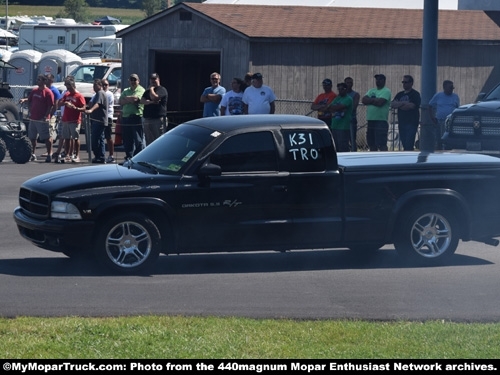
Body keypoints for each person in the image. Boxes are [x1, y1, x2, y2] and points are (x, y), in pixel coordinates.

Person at [20, 74, 54, 163]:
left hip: (42, 119)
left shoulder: (48, 92)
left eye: (39, 80)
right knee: (32, 137)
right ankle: (33, 154)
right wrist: (24, 100)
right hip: (33, 118)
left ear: (44, 81)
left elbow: (50, 106)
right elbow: (30, 99)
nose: (37, 81)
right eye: (37, 79)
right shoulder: (34, 91)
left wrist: (46, 116)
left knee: (47, 137)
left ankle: (49, 153)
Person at [57, 78, 86, 163]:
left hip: (75, 120)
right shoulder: (67, 94)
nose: (68, 89)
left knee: (75, 138)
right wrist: (65, 103)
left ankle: (77, 155)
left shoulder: (79, 96)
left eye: (69, 87)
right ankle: (67, 155)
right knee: (66, 138)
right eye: (67, 87)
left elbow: (84, 108)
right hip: (66, 119)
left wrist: (75, 107)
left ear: (73, 86)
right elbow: (60, 103)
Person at [362, 74, 392, 151]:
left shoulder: (386, 91)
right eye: (377, 79)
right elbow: (364, 100)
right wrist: (375, 100)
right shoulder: (371, 90)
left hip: (381, 121)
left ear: (384, 81)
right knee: (371, 143)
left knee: (381, 143)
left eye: (380, 79)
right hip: (371, 120)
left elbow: (380, 103)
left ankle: (384, 159)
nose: (378, 81)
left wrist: (370, 100)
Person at [391, 75, 421, 151]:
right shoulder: (399, 94)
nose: (404, 84)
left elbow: (412, 106)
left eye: (406, 82)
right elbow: (393, 104)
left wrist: (400, 104)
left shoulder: (415, 94)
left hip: (412, 123)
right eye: (403, 82)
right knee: (404, 143)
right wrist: (404, 103)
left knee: (409, 144)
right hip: (402, 122)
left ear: (411, 83)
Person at [119, 73, 146, 160]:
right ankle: (129, 156)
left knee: (138, 139)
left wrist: (126, 98)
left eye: (135, 80)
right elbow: (120, 101)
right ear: (129, 81)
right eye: (131, 80)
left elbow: (135, 99)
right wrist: (129, 98)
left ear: (138, 81)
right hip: (126, 117)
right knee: (127, 139)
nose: (133, 81)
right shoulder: (126, 90)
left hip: (136, 117)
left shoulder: (141, 89)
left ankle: (137, 157)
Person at [429, 80, 460, 149]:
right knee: (439, 140)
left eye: (452, 88)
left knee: (449, 141)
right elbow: (430, 105)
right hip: (440, 121)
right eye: (450, 88)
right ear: (444, 87)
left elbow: (458, 108)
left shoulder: (455, 96)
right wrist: (432, 117)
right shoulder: (438, 95)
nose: (451, 90)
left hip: (451, 122)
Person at [140, 72, 168, 146]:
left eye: (154, 79)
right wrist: (151, 102)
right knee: (148, 142)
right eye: (151, 79)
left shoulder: (162, 89)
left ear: (158, 79)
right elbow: (142, 100)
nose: (153, 81)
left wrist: (152, 89)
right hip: (148, 119)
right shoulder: (147, 91)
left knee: (159, 141)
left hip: (157, 120)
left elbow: (155, 97)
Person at [85, 79, 108, 163]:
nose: (94, 87)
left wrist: (91, 110)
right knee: (100, 138)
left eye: (95, 85)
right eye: (93, 85)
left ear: (100, 85)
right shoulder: (96, 94)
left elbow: (97, 104)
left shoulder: (100, 93)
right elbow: (92, 103)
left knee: (95, 139)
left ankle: (100, 156)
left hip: (99, 120)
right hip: (97, 120)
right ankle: (100, 156)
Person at [328, 82, 353, 152]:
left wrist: (336, 108)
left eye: (342, 89)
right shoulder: (337, 98)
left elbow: (339, 107)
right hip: (334, 125)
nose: (340, 90)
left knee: (343, 146)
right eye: (339, 89)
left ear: (346, 89)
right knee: (335, 146)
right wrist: (335, 108)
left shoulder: (348, 99)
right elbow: (329, 107)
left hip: (343, 126)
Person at [344, 77, 360, 151]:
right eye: (347, 83)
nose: (349, 84)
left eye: (350, 82)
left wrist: (341, 107)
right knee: (344, 140)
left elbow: (353, 107)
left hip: (351, 119)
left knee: (352, 139)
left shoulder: (355, 94)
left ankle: (354, 153)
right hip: (342, 120)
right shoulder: (341, 95)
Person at [102, 79, 116, 163]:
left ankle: (111, 155)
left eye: (106, 85)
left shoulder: (109, 94)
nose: (104, 86)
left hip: (108, 117)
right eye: (103, 84)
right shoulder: (98, 93)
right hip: (100, 118)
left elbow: (105, 104)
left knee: (108, 136)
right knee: (100, 137)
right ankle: (102, 155)